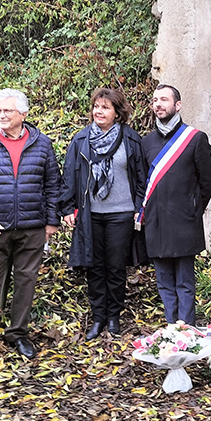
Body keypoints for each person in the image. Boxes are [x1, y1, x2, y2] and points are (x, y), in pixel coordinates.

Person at [0, 89, 61, 367]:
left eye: (8, 111)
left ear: (23, 115)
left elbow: (53, 184)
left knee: (26, 284)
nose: (1, 116)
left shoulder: (42, 144)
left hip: (31, 228)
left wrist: (51, 221)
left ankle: (18, 334)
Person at [59, 88, 147, 340]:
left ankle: (114, 316)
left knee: (116, 266)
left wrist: (139, 207)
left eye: (105, 107)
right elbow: (70, 175)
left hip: (121, 213)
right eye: (96, 106)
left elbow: (141, 177)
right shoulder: (81, 140)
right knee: (94, 266)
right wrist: (67, 207)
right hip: (91, 214)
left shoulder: (131, 139)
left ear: (118, 113)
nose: (99, 111)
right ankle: (98, 317)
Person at [140, 84, 211, 325]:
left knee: (184, 283)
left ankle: (187, 333)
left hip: (185, 223)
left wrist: (192, 208)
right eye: (154, 100)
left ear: (177, 105)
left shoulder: (195, 138)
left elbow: (208, 182)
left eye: (164, 99)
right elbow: (143, 183)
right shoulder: (146, 143)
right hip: (156, 223)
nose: (158, 104)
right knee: (163, 283)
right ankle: (171, 331)